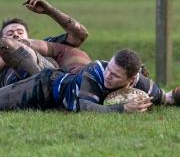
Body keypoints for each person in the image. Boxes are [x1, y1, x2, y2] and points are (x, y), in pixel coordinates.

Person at [0, 48, 178, 113]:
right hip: (45, 86)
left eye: (115, 75)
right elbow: (85, 107)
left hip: (53, 105)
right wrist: (123, 109)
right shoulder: (95, 70)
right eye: (109, 69)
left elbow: (167, 98)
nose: (108, 75)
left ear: (131, 80)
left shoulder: (143, 84)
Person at [0, 0, 91, 87]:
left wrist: (50, 11)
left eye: (20, 32)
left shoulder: (47, 45)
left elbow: (80, 35)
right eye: (10, 33)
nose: (16, 35)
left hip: (54, 86)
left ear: (29, 37)